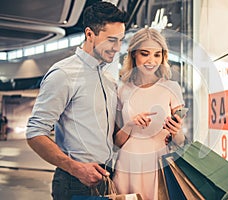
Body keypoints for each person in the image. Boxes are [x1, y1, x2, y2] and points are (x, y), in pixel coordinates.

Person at [26, 2, 127, 199]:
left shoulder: (108, 80)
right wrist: (76, 169)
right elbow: (35, 133)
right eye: (111, 40)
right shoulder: (63, 74)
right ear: (90, 34)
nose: (117, 48)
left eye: (121, 40)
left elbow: (111, 135)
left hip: (106, 179)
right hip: (75, 183)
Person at [112, 28, 186, 200]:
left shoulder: (171, 87)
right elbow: (116, 142)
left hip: (158, 162)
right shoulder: (122, 89)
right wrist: (130, 124)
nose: (151, 61)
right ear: (133, 55)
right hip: (127, 164)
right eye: (145, 54)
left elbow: (180, 142)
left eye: (157, 55)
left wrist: (176, 130)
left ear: (163, 57)